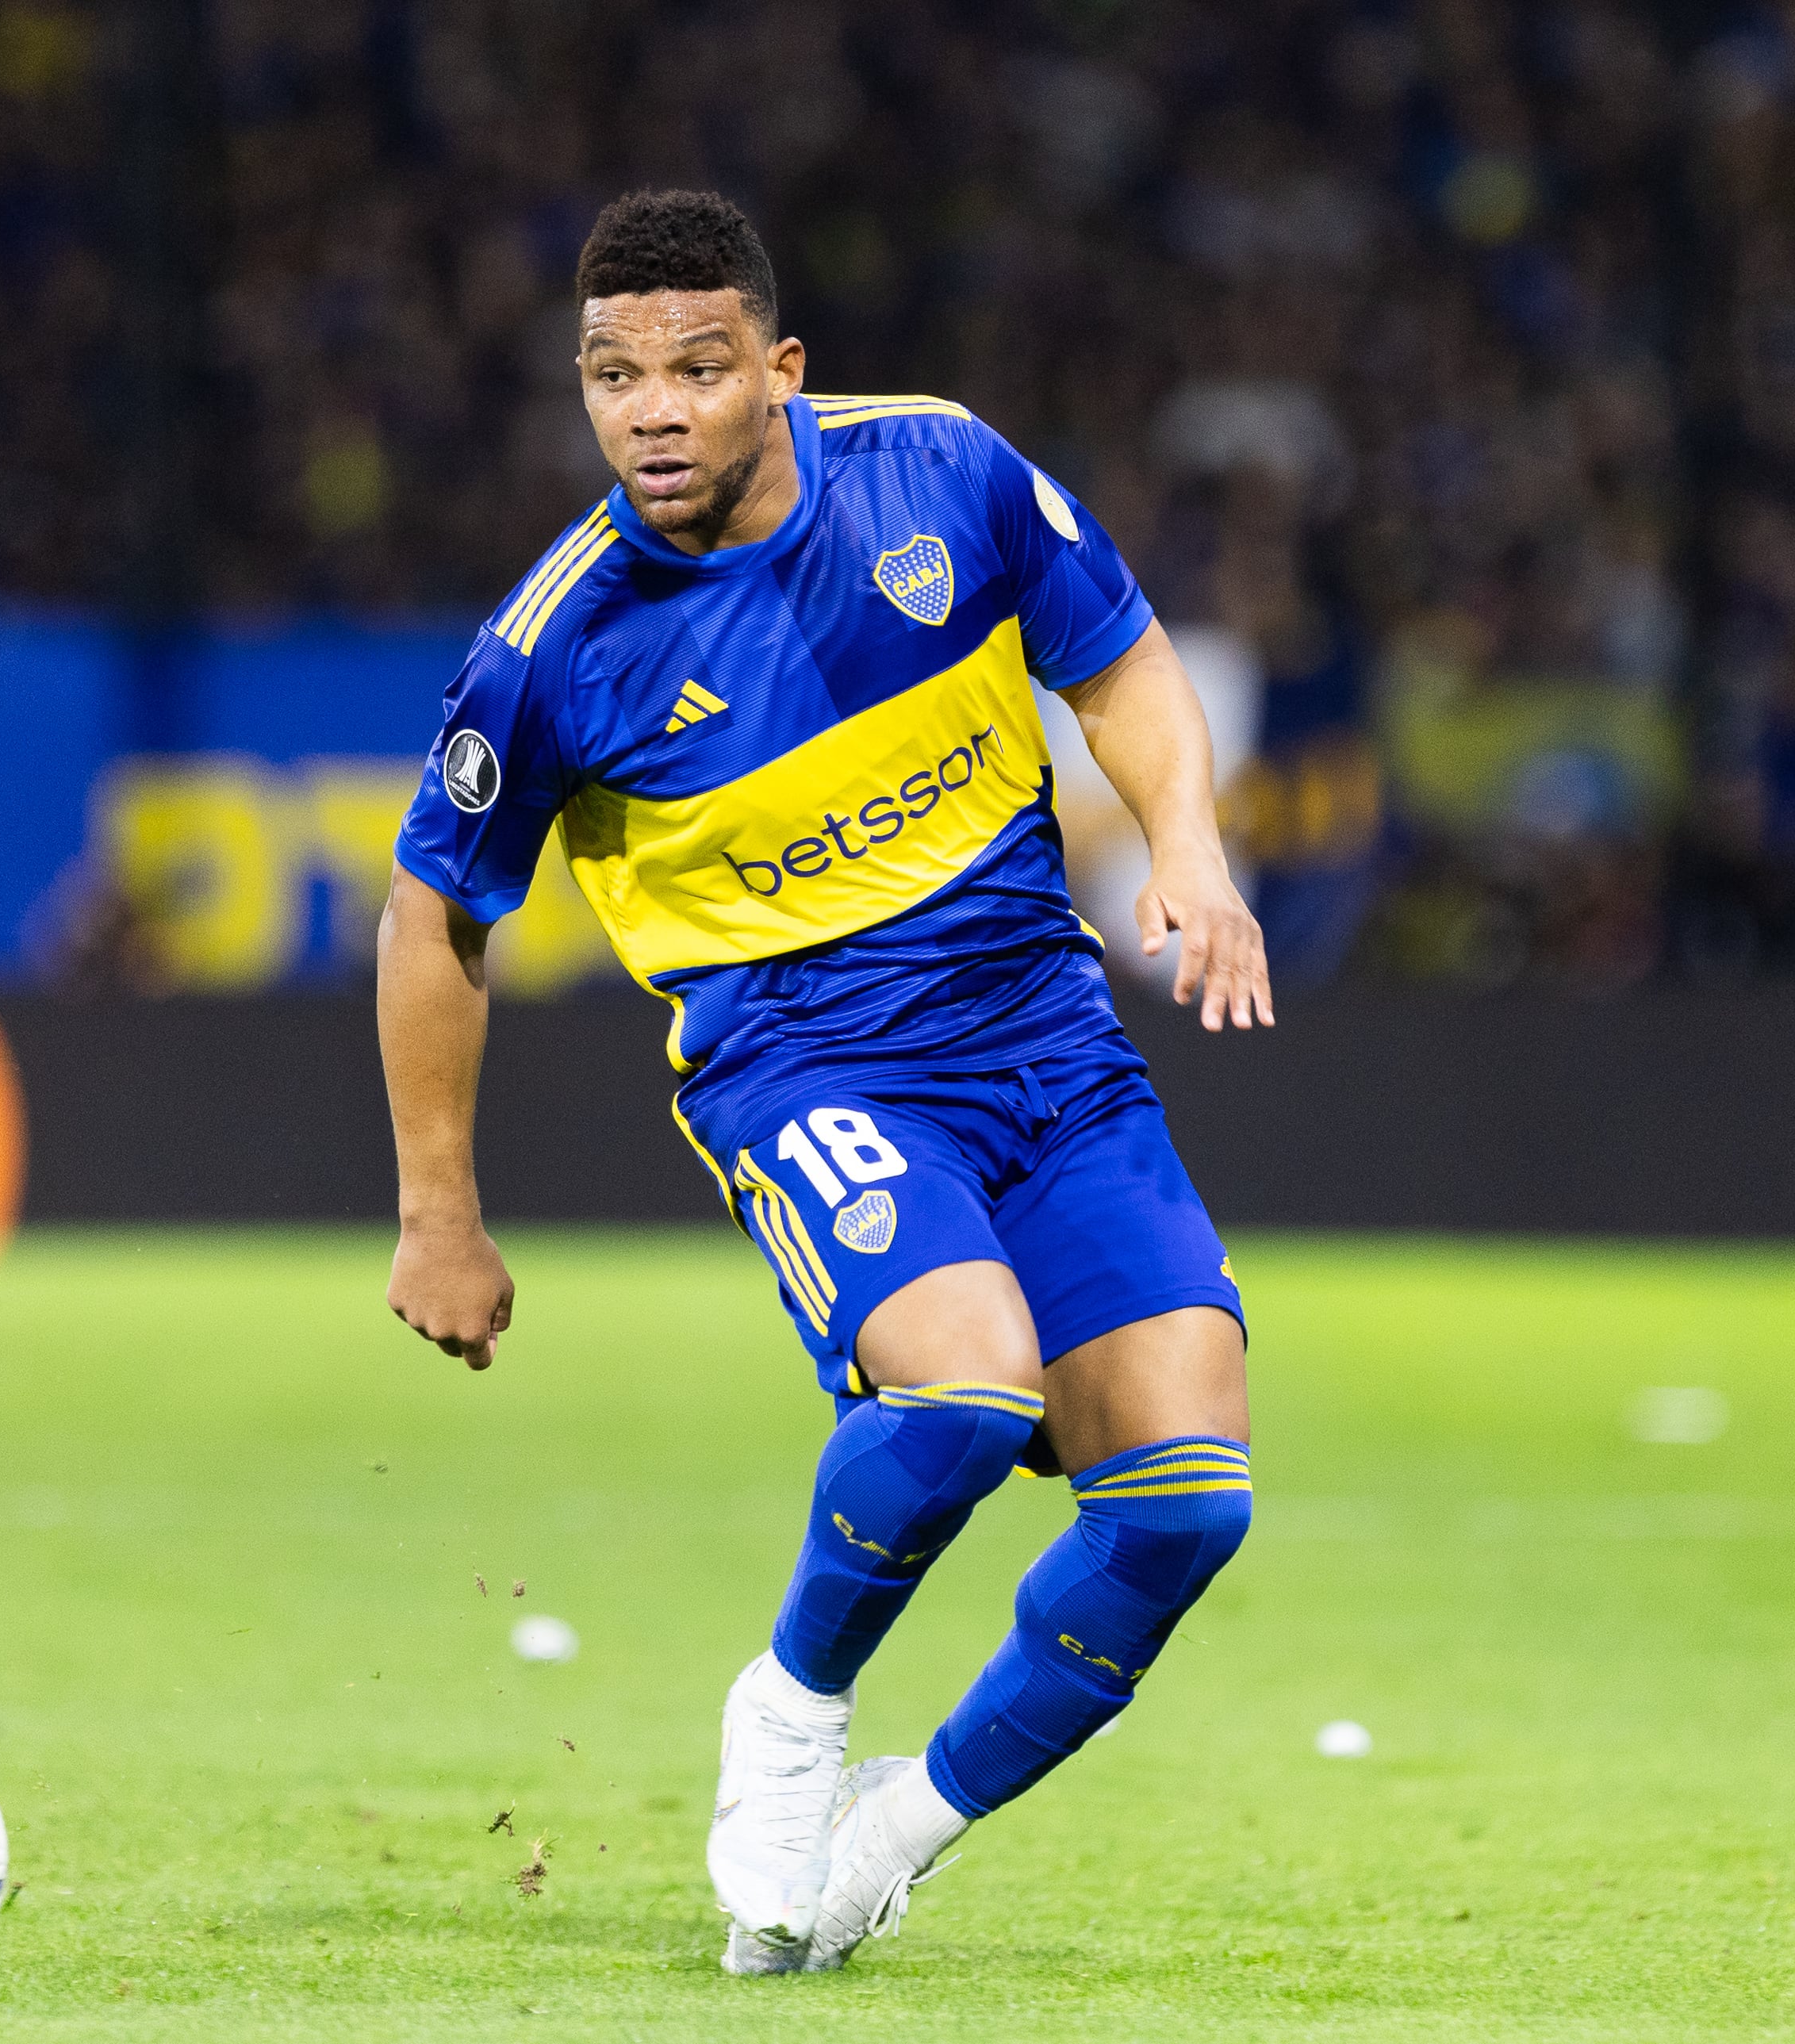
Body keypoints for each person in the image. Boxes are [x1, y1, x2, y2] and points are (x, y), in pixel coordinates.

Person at [376, 190, 1272, 1974]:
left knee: (1185, 1504)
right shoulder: (553, 643)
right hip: (806, 1064)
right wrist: (436, 1210)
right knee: (961, 1392)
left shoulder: (944, 473)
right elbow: (432, 923)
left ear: (776, 373)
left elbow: (1125, 659)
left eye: (695, 369)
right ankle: (789, 1710)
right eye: (613, 374)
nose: (651, 409)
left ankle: (895, 1828)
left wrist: (1189, 843)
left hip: (1045, 1040)